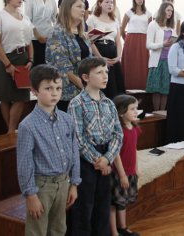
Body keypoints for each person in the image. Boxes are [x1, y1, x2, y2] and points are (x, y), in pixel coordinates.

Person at [17, 65, 80, 236]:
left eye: (58, 88)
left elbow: (74, 152)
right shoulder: (27, 126)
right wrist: (31, 195)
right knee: (37, 231)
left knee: (59, 229)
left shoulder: (67, 120)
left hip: (64, 183)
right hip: (41, 187)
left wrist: (74, 183)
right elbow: (25, 164)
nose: (54, 93)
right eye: (48, 88)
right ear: (35, 91)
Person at [68, 57, 123, 236]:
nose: (105, 76)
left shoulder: (109, 103)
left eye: (106, 72)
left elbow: (117, 134)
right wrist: (97, 160)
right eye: (99, 72)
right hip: (85, 161)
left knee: (103, 205)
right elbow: (78, 137)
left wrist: (107, 158)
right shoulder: (77, 103)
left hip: (106, 156)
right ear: (85, 77)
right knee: (84, 207)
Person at [0, 0, 34, 133]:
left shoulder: (25, 18)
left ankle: (11, 129)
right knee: (5, 96)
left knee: (21, 96)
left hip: (23, 58)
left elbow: (29, 42)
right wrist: (8, 65)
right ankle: (10, 131)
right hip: (5, 58)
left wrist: (30, 60)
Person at [46, 0, 91, 112]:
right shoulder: (57, 32)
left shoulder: (83, 35)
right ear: (67, 9)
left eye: (84, 7)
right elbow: (64, 68)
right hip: (67, 93)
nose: (83, 10)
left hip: (84, 90)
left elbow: (89, 62)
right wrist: (86, 88)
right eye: (79, 6)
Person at [110, 94, 142, 236]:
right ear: (121, 112)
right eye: (132, 109)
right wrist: (122, 174)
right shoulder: (119, 131)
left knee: (122, 202)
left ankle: (123, 227)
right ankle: (114, 231)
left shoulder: (134, 127)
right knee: (113, 202)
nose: (136, 112)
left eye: (137, 108)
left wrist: (136, 168)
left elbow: (134, 149)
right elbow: (115, 154)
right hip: (118, 173)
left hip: (130, 171)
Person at [87, 0, 125, 99]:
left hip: (112, 54)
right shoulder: (92, 19)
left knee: (115, 84)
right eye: (107, 2)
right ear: (100, 3)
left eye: (112, 3)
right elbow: (90, 41)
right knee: (103, 83)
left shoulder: (115, 20)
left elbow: (118, 41)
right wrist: (100, 57)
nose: (110, 5)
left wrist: (118, 57)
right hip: (99, 52)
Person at [146, 1, 176, 111]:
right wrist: (162, 44)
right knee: (157, 90)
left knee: (165, 90)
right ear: (162, 10)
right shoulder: (153, 24)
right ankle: (156, 112)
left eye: (171, 11)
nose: (170, 13)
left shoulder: (171, 27)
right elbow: (148, 44)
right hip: (157, 61)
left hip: (168, 61)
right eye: (168, 10)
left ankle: (162, 112)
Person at [120, 0, 152, 90]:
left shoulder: (148, 14)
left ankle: (142, 89)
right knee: (130, 65)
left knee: (142, 64)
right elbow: (122, 29)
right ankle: (128, 88)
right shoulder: (129, 13)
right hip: (131, 41)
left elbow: (151, 30)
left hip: (143, 41)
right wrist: (128, 41)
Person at [25, 0, 57, 67]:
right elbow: (27, 20)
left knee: (46, 67)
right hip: (33, 38)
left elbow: (55, 20)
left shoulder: (52, 1)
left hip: (48, 39)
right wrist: (38, 36)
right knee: (36, 66)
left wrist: (52, 36)